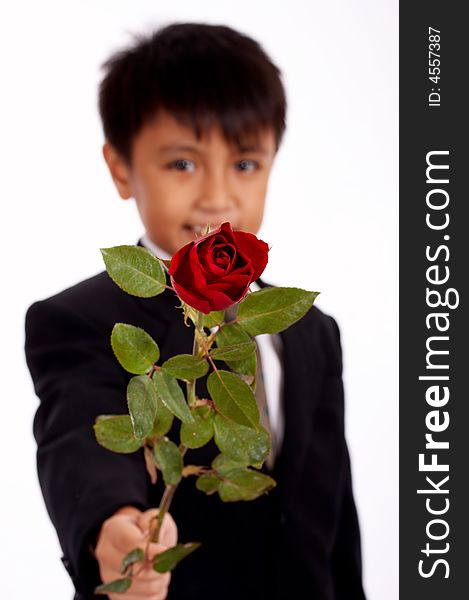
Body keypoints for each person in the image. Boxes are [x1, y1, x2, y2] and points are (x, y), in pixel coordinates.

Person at [24, 23, 366, 600]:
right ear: (121, 168)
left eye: (245, 164)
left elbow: (334, 517)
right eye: (182, 164)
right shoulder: (85, 320)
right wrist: (114, 527)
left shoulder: (309, 332)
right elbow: (79, 440)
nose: (216, 195)